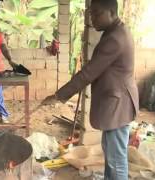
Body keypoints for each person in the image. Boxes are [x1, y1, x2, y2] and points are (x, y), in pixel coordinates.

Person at [42, 0, 139, 179]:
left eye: (96, 14)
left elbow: (89, 73)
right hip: (115, 102)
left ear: (111, 12)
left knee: (116, 160)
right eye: (90, 13)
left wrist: (59, 96)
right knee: (111, 155)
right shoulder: (113, 31)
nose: (92, 18)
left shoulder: (116, 38)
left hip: (118, 104)